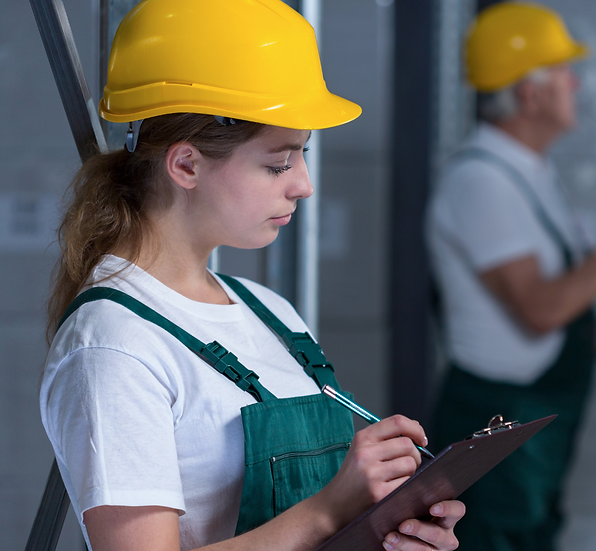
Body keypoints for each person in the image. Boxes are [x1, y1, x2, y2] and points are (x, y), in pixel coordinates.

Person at [38, 1, 463, 550]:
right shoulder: (114, 346)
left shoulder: (267, 310)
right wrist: (328, 511)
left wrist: (389, 525)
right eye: (279, 163)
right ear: (186, 164)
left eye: (301, 156)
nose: (303, 185)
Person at [426, 3, 596, 550]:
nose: (577, 83)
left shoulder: (530, 174)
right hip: (493, 431)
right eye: (563, 72)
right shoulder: (481, 181)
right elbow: (541, 309)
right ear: (529, 95)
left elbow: (570, 321)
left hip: (528, 433)